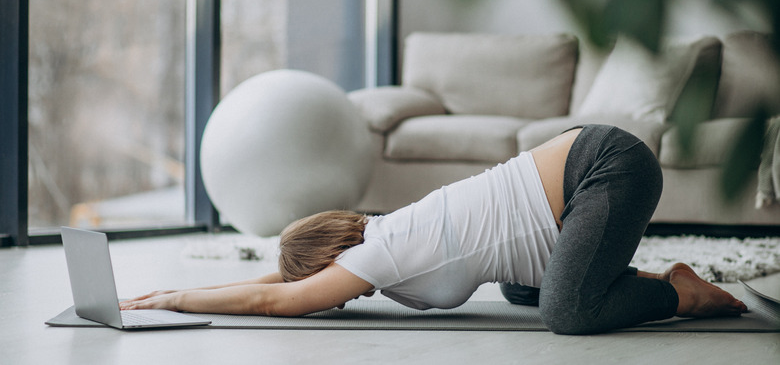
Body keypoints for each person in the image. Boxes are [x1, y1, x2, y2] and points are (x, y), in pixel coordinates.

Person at [120, 125, 747, 334]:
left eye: (327, 285)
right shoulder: (380, 238)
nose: (338, 298)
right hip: (577, 181)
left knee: (566, 311)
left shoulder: (384, 251)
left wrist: (171, 297)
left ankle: (677, 290)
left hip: (606, 168)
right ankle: (626, 280)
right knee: (521, 288)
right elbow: (278, 282)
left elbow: (271, 299)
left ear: (333, 259)